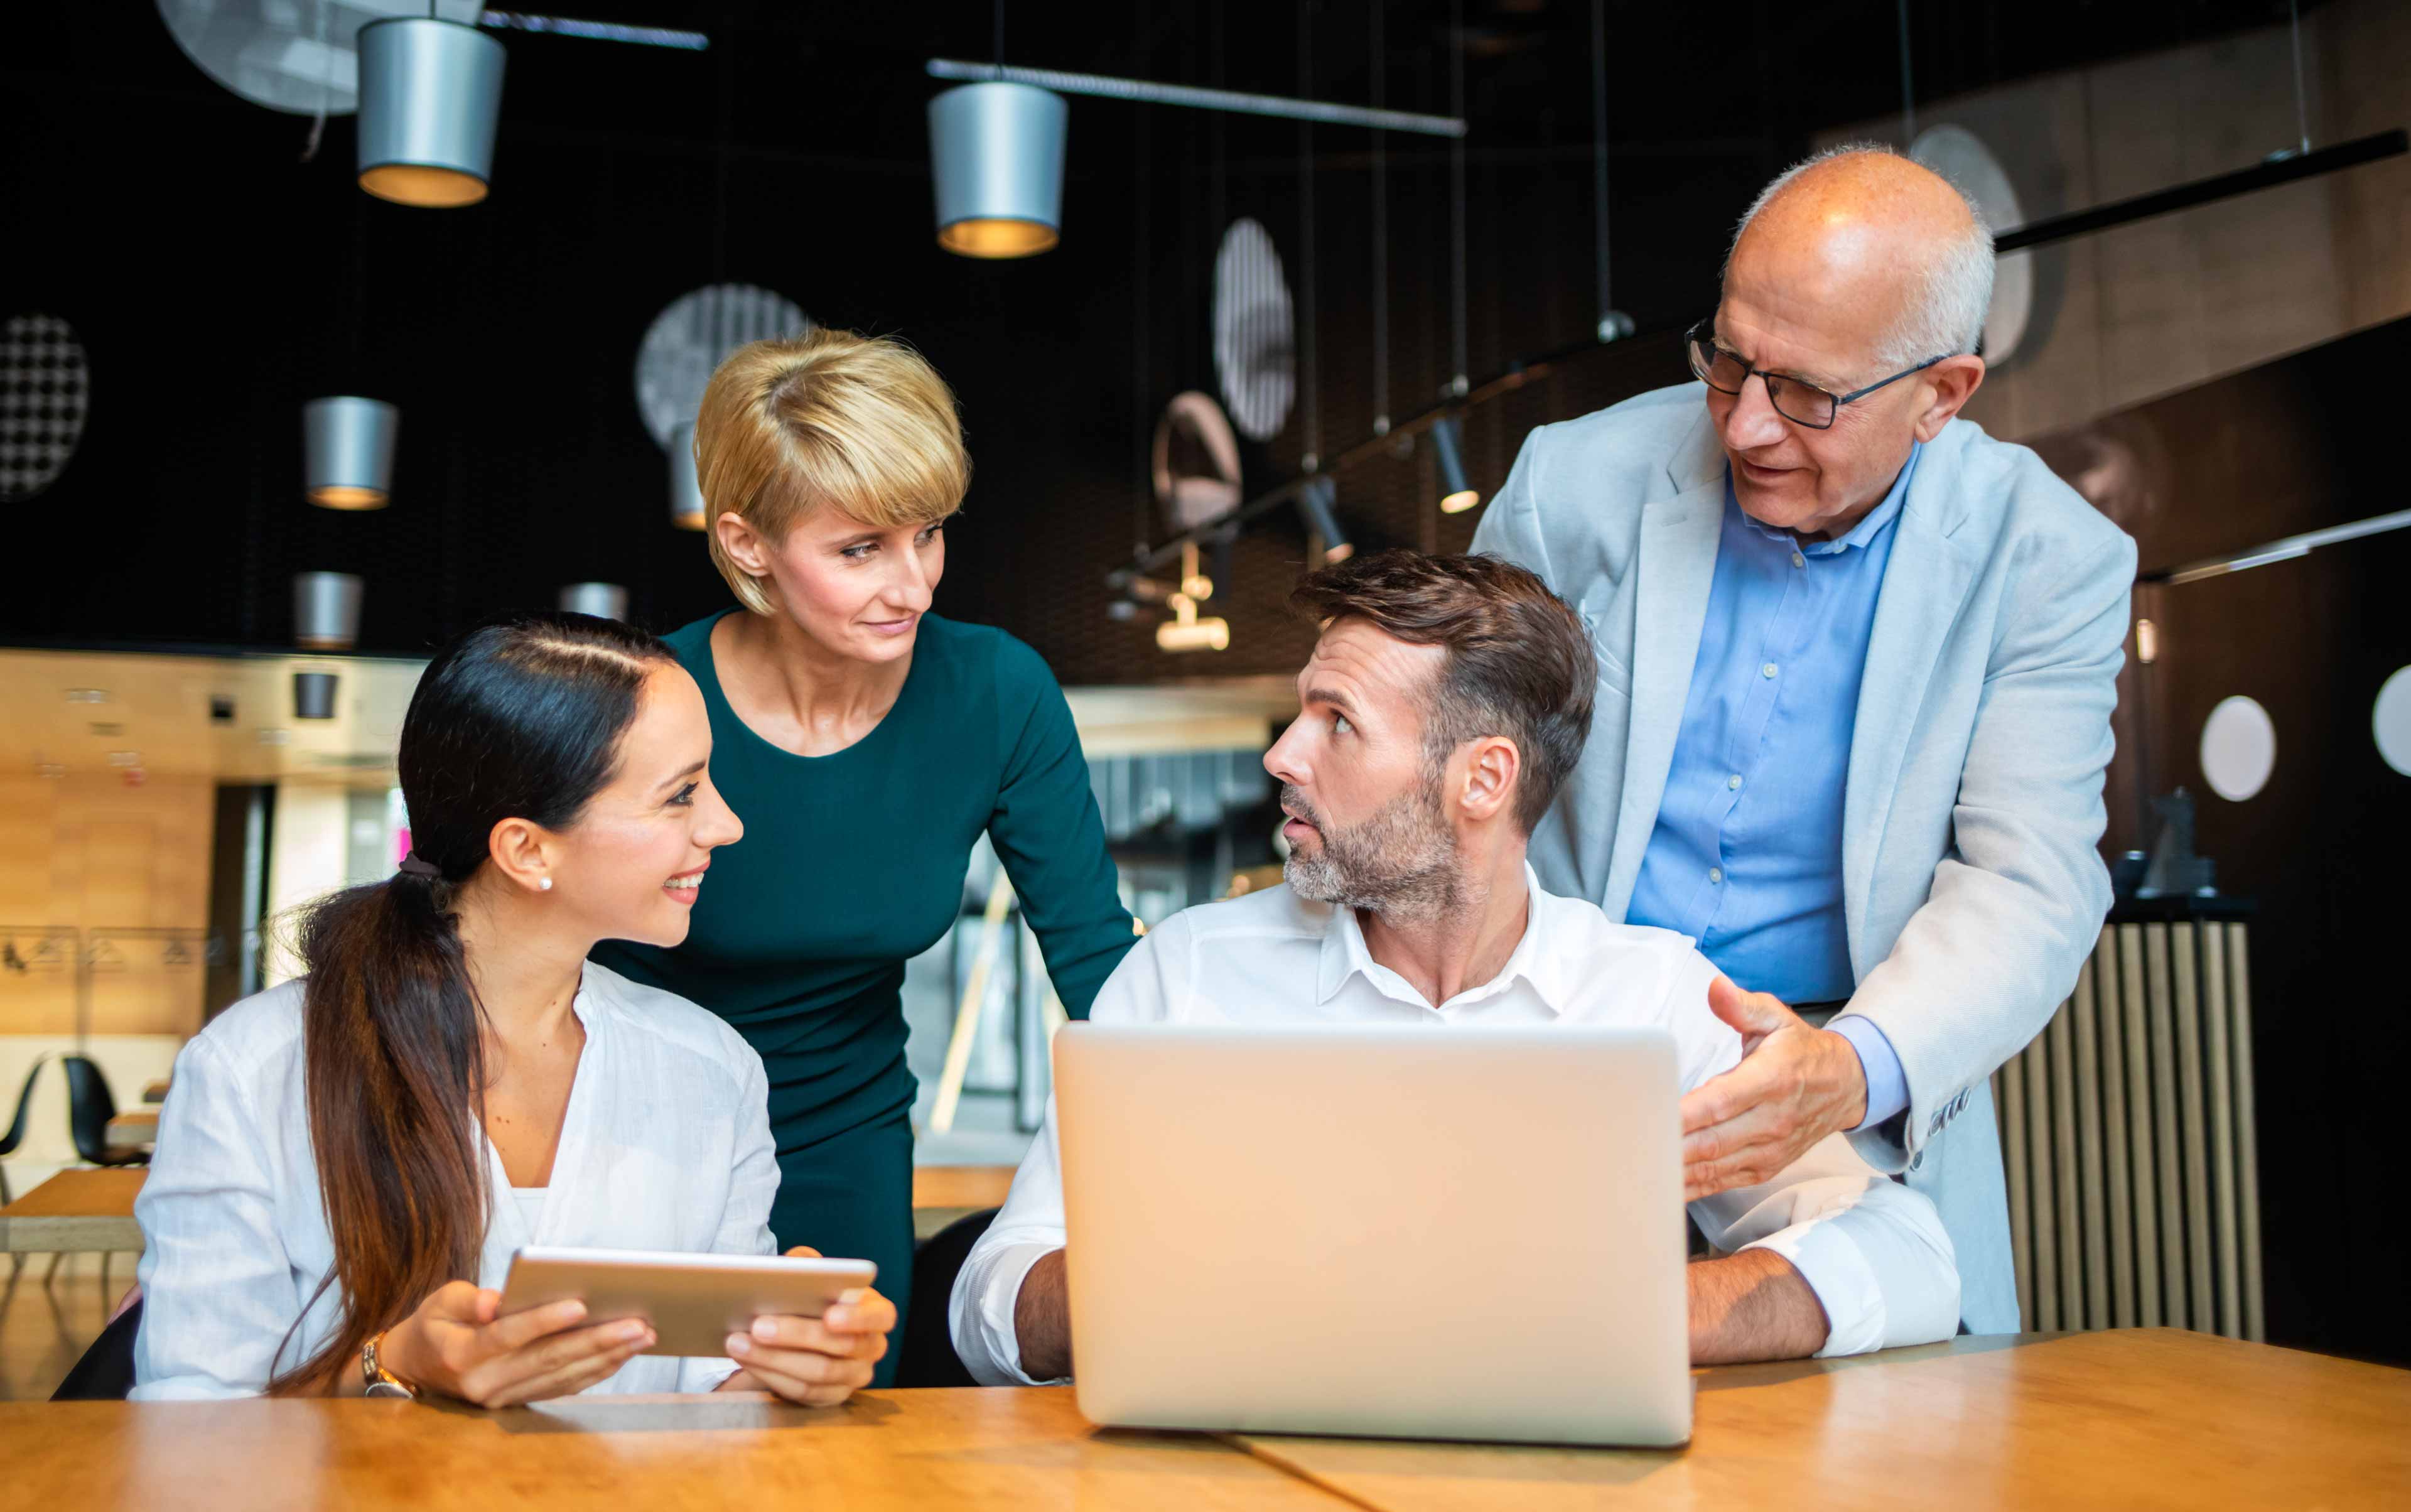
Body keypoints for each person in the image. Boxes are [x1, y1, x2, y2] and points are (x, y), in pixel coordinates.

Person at [950, 552, 1960, 1385]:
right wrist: (1190, 1290)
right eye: (1304, 711)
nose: (1285, 754)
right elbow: (990, 1299)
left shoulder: (1657, 999)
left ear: (1483, 779)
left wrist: (1630, 1320)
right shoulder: (1187, 978)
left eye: (1337, 722)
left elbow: (1912, 1259)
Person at [1469, 144, 2136, 1332]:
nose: (1748, 428)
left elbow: (2028, 880)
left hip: (1849, 1120)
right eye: (1729, 361)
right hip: (1558, 1092)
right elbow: (1459, 776)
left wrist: (1851, 1069)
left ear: (1945, 393)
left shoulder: (2049, 561)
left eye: (1810, 394)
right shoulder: (1571, 484)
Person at [133, 613, 895, 1405]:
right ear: (527, 849)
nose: (726, 825)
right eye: (680, 795)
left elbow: (706, 1390)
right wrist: (391, 1365)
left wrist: (791, 1367)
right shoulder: (255, 1069)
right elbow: (188, 1421)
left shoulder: (711, 1069)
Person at [590, 330, 1138, 1383]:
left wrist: (1221, 1129)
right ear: (748, 543)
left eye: (928, 533)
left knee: (836, 1438)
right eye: (860, 550)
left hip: (845, 1128)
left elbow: (1097, 960)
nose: (914, 584)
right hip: (634, 1119)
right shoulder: (653, 699)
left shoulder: (996, 692)